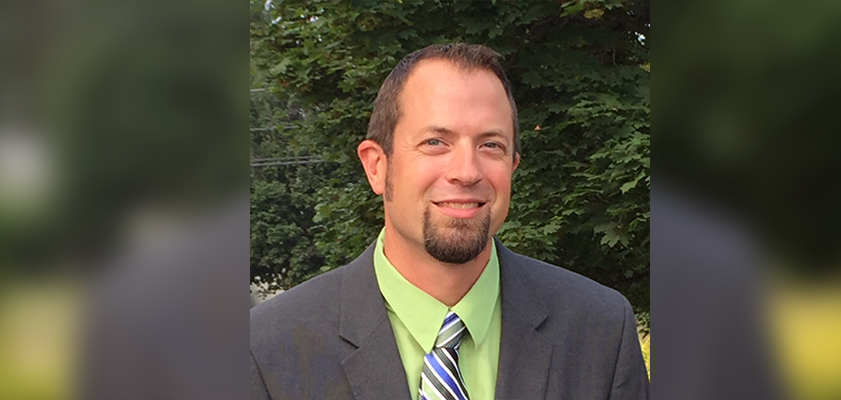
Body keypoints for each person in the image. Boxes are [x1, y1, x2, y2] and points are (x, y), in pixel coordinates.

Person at [250, 43, 649, 400]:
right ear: (376, 166)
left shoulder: (599, 330)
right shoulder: (267, 347)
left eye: (490, 145)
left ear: (512, 167)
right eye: (435, 142)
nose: (466, 171)